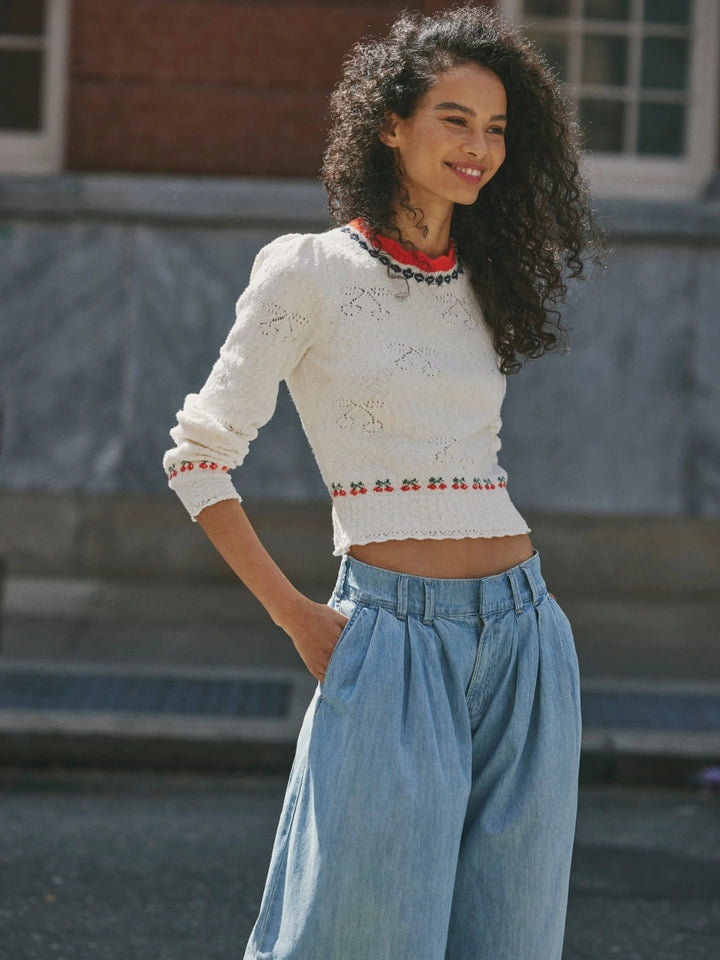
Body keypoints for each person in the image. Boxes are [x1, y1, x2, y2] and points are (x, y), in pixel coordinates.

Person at [163, 5, 602, 959]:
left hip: (526, 637)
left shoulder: (487, 276)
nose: (477, 147)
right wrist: (299, 617)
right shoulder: (306, 272)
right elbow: (199, 457)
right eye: (454, 119)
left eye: (495, 128)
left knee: (513, 937)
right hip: (388, 638)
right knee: (360, 935)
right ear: (390, 124)